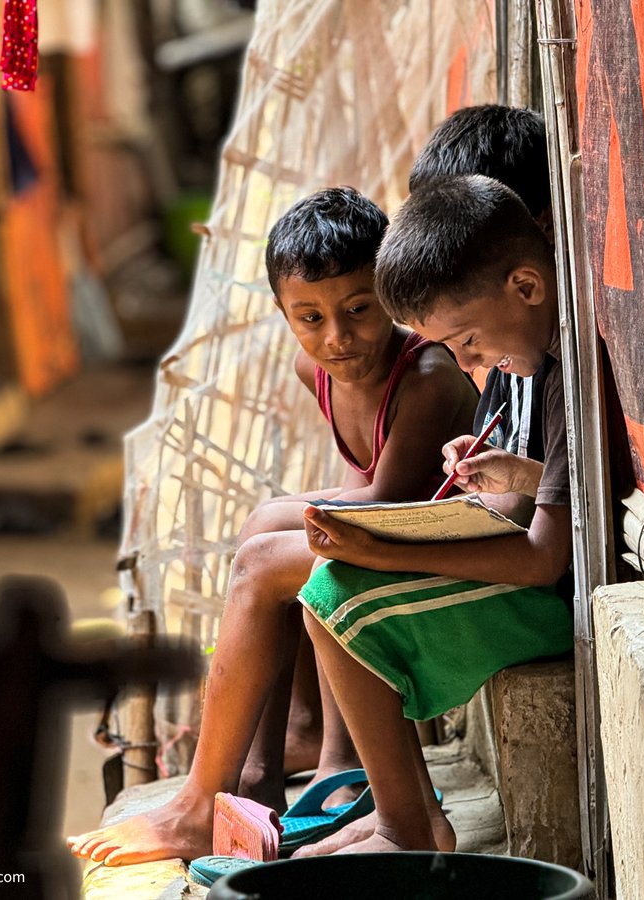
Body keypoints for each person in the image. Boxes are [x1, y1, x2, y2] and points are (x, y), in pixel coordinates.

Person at [66, 186, 478, 865]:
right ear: (284, 314)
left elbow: (391, 508)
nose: (337, 338)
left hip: (441, 551)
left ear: (391, 295)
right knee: (267, 529)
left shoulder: (427, 376)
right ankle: (268, 765)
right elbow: (359, 491)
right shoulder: (312, 367)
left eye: (358, 310)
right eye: (309, 317)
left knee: (267, 554)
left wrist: (287, 527)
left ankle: (209, 801)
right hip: (388, 535)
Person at [297, 172, 575, 855]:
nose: (466, 363)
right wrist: (512, 475)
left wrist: (388, 553)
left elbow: (543, 559)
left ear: (528, 288)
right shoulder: (527, 363)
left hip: (561, 601)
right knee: (329, 587)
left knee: (332, 597)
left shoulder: (563, 376)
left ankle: (410, 826)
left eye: (467, 343)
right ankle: (402, 812)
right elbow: (557, 496)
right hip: (541, 577)